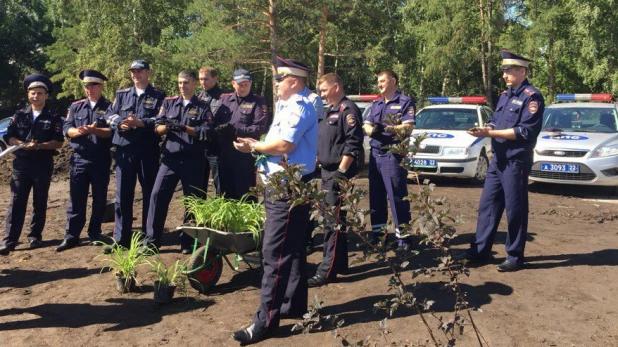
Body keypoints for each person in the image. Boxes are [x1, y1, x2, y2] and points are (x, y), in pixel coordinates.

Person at [231, 57, 318, 344]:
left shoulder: (299, 106)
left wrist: (254, 146)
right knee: (290, 250)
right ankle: (292, 305)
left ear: (294, 81)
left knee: (275, 254)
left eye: (280, 80)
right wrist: (256, 149)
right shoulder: (288, 105)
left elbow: (283, 145)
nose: (276, 84)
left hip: (287, 190)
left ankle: (265, 322)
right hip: (282, 186)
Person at [459, 50, 544, 272]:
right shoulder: (505, 96)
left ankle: (514, 256)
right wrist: (486, 129)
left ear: (522, 71)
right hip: (498, 160)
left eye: (509, 70)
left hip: (516, 161)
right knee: (487, 205)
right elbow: (495, 121)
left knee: (515, 210)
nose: (504, 74)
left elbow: (525, 131)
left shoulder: (531, 97)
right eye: (504, 70)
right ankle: (480, 251)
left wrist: (490, 134)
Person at [142, 70, 213, 254]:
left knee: (193, 202)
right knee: (157, 196)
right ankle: (151, 241)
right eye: (180, 82)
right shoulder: (169, 103)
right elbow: (157, 128)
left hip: (194, 160)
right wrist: (167, 127)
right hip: (170, 160)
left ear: (195, 84)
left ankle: (187, 242)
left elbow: (206, 132)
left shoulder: (203, 106)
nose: (183, 86)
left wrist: (184, 128)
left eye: (186, 82)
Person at [104, 59, 165, 252]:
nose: (135, 75)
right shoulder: (121, 94)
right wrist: (121, 122)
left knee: (150, 194)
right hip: (124, 151)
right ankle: (121, 239)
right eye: (133, 72)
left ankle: (149, 238)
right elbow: (108, 114)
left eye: (139, 71)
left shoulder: (159, 95)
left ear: (147, 73)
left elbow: (161, 118)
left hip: (147, 150)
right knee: (123, 195)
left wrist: (142, 122)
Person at [308, 73, 363, 287]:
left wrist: (341, 170)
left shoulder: (347, 110)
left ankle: (326, 271)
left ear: (336, 87)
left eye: (324, 90)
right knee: (334, 220)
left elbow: (353, 143)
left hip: (337, 174)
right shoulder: (330, 110)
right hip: (325, 172)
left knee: (332, 223)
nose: (321, 94)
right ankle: (340, 264)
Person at [0, 74, 64, 256]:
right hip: (21, 164)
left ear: (46, 95)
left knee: (40, 201)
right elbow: (8, 136)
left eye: (40, 93)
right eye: (33, 93)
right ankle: (9, 240)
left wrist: (39, 146)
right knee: (16, 202)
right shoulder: (19, 114)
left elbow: (58, 142)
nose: (36, 96)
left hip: (43, 163)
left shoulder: (53, 117)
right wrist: (18, 142)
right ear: (28, 95)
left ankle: (35, 236)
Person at [56, 70, 113, 252]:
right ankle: (72, 236)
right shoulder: (76, 106)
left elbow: (112, 132)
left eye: (93, 86)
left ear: (101, 86)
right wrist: (75, 132)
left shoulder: (110, 107)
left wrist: (95, 131)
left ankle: (95, 232)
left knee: (99, 198)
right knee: (76, 199)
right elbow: (66, 127)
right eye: (86, 87)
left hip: (100, 159)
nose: (89, 90)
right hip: (79, 159)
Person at [362, 70, 415, 251]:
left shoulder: (404, 101)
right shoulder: (376, 103)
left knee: (396, 196)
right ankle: (379, 236)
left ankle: (404, 239)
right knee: (376, 198)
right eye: (378, 81)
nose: (379, 84)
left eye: (383, 81)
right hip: (376, 153)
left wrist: (387, 129)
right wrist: (371, 131)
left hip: (393, 153)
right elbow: (366, 123)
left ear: (393, 81)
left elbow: (408, 128)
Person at [216, 69, 268, 200]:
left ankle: (248, 220)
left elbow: (259, 127)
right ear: (233, 83)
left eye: (246, 84)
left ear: (250, 83)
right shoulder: (224, 100)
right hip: (225, 151)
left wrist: (236, 131)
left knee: (245, 191)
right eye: (240, 84)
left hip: (245, 153)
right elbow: (215, 121)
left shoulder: (258, 101)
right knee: (227, 191)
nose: (243, 87)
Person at [196, 66, 225, 194]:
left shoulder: (224, 97)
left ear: (215, 78)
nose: (203, 82)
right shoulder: (197, 97)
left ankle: (220, 211)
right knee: (198, 184)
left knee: (220, 184)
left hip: (216, 146)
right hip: (200, 146)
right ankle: (198, 213)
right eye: (201, 79)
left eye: (206, 79)